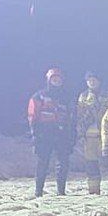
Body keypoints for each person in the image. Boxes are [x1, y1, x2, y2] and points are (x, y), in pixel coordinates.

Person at [26, 67, 74, 197]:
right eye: (54, 78)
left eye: (58, 78)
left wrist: (71, 135)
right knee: (43, 162)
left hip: (61, 133)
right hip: (44, 133)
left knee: (63, 162)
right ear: (48, 80)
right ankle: (38, 191)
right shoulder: (39, 96)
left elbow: (70, 117)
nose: (56, 81)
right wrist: (35, 134)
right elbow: (32, 115)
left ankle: (61, 191)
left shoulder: (66, 97)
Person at [74, 72, 108, 194]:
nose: (92, 82)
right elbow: (79, 116)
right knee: (91, 164)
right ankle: (94, 191)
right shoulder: (83, 96)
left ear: (99, 81)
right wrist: (80, 133)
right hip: (90, 137)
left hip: (107, 136)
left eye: (94, 79)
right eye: (89, 80)